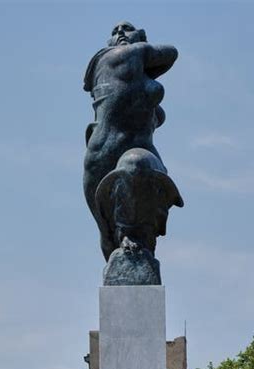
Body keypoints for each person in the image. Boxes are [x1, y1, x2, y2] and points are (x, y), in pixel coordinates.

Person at [83, 22, 183, 261]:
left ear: (139, 34)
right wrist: (141, 46)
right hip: (105, 155)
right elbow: (170, 53)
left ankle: (133, 240)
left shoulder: (117, 71)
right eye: (114, 32)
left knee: (113, 236)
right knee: (137, 167)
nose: (119, 33)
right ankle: (129, 245)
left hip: (106, 152)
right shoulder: (127, 53)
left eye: (126, 29)